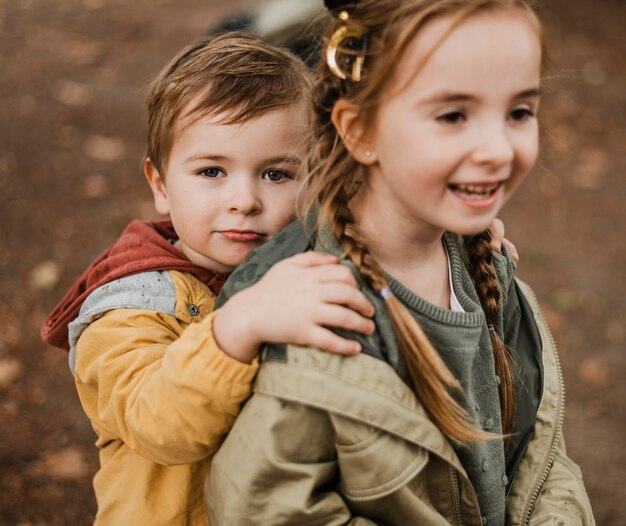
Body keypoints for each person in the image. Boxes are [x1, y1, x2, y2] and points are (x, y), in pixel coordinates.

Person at [205, 1, 595, 524]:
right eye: (453, 115)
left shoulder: (489, 264)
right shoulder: (308, 308)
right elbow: (268, 508)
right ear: (360, 130)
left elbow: (542, 458)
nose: (498, 149)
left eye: (519, 112)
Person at [40, 33, 379, 525]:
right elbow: (159, 423)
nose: (244, 199)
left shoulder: (303, 255)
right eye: (212, 171)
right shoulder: (126, 310)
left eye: (277, 175)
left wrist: (450, 240)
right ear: (160, 184)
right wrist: (233, 331)